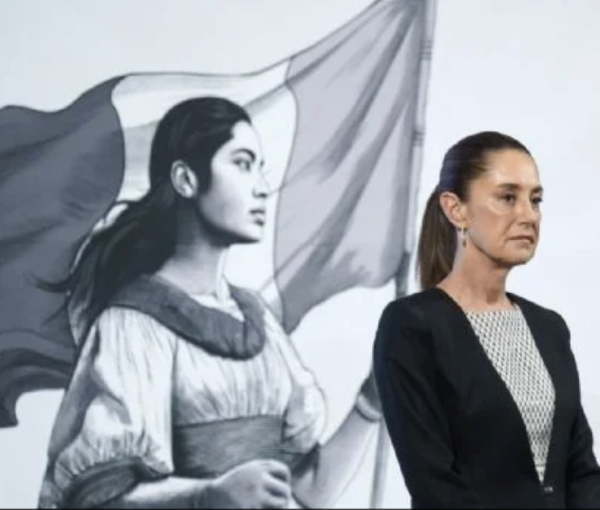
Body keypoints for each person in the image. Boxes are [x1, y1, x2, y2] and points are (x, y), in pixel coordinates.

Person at [36, 96, 383, 509]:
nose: (261, 187)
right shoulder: (134, 324)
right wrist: (209, 495)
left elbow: (310, 488)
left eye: (260, 168)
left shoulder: (257, 320)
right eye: (242, 163)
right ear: (186, 179)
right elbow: (97, 500)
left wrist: (373, 400)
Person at [372, 131, 600, 509]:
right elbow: (434, 485)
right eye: (508, 197)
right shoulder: (412, 325)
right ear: (456, 209)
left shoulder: (550, 328)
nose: (528, 215)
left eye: (535, 200)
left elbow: (582, 470)